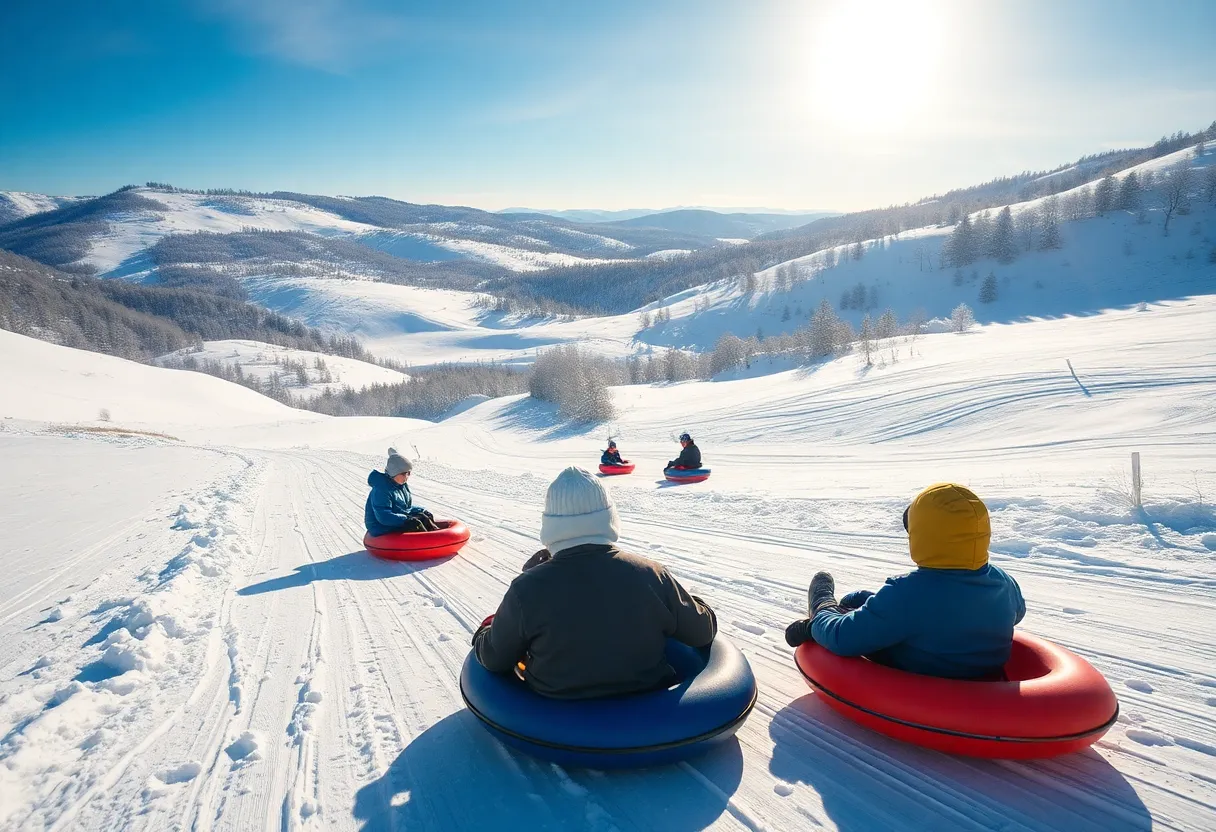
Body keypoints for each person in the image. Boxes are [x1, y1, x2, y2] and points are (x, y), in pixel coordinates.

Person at [473, 466, 718, 699]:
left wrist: (487, 629)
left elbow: (494, 658)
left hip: (556, 722)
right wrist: (686, 602)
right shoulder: (651, 574)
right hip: (650, 718)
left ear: (549, 524)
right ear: (609, 517)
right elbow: (702, 632)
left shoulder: (525, 589)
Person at [784, 483, 1026, 680]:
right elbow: (1015, 613)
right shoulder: (1004, 581)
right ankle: (863, 605)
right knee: (869, 603)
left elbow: (843, 638)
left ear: (923, 537)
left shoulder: (908, 593)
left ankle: (822, 606)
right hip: (989, 679)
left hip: (929, 682)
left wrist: (815, 624)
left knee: (833, 616)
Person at [364, 448, 440, 536]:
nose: (407, 477)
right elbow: (383, 517)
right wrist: (405, 520)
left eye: (409, 473)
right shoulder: (381, 489)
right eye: (404, 474)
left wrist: (422, 511)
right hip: (380, 526)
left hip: (395, 519)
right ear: (394, 473)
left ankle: (439, 538)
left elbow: (405, 508)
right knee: (415, 524)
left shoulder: (401, 485)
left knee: (423, 517)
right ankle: (430, 544)